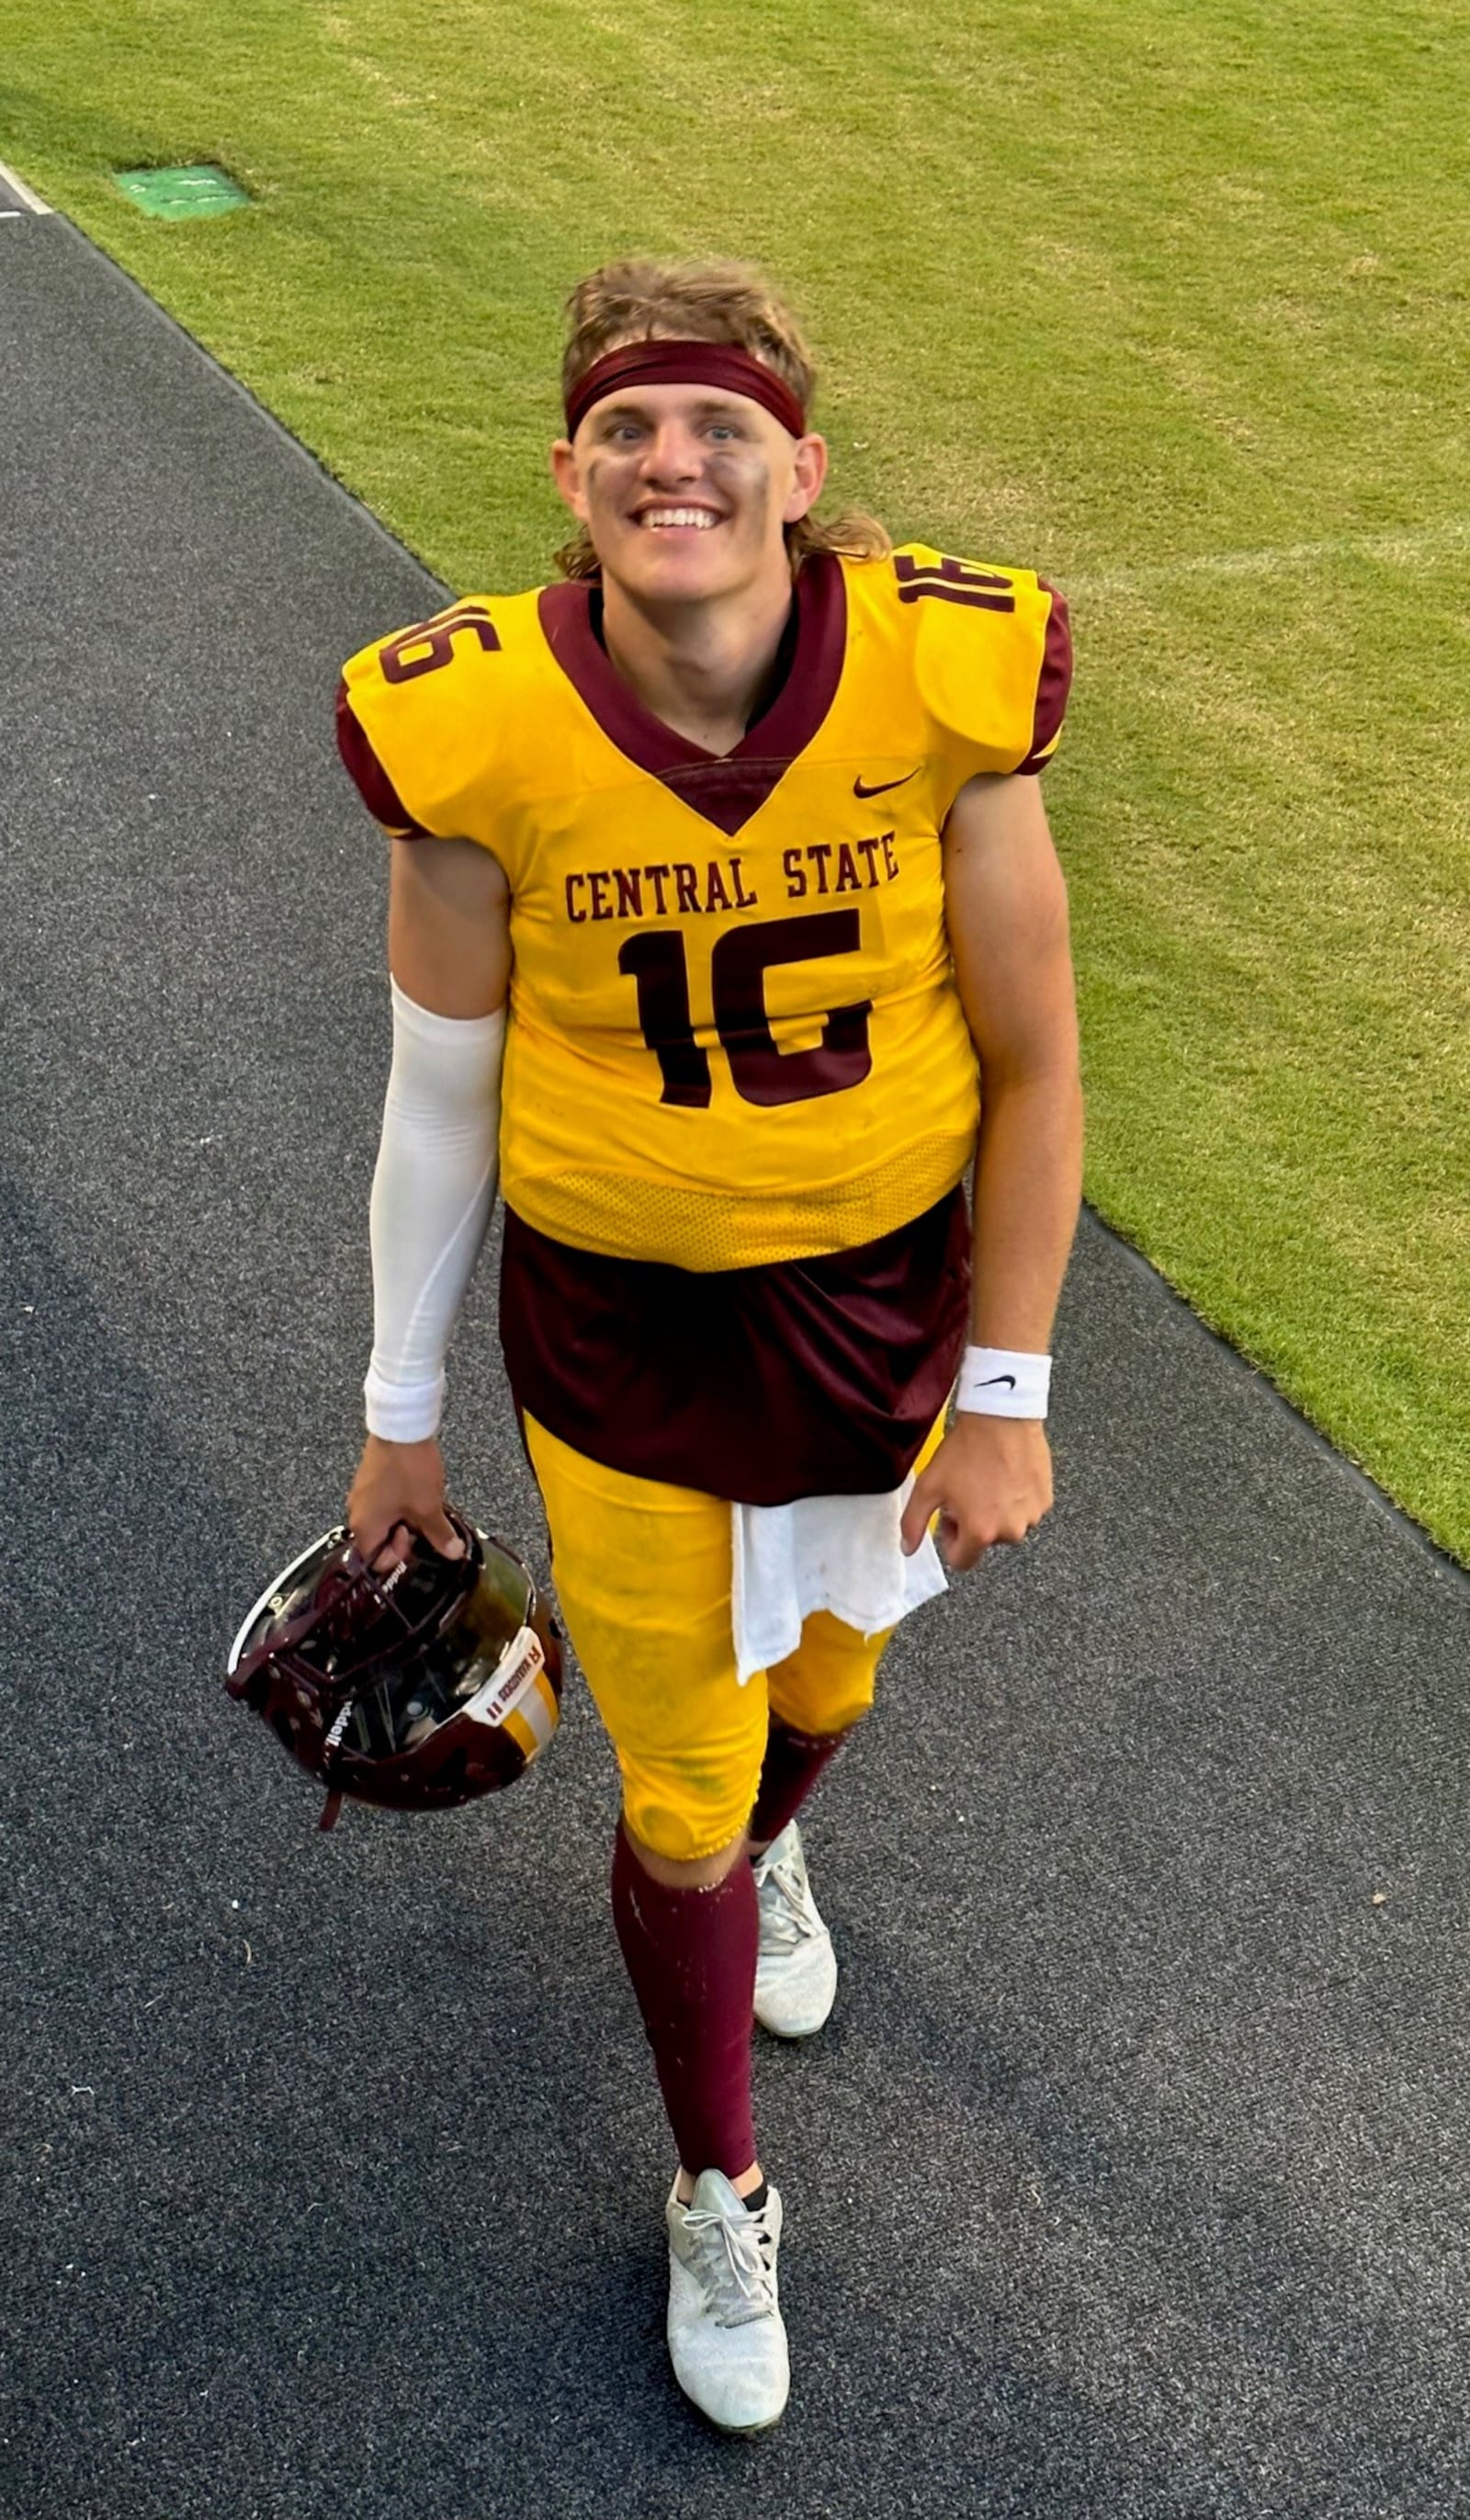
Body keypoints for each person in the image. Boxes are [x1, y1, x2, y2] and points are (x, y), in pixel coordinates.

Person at [334, 256, 1081, 2434]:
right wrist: (397, 1418)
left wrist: (1009, 1390)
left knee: (826, 1688)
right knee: (675, 1784)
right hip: (628, 1339)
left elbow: (1035, 1063)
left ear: (801, 467)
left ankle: (764, 1850)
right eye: (629, 431)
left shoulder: (942, 678)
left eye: (716, 425)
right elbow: (436, 1097)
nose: (675, 461)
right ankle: (716, 2179)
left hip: (883, 1322)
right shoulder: (467, 727)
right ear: (569, 475)